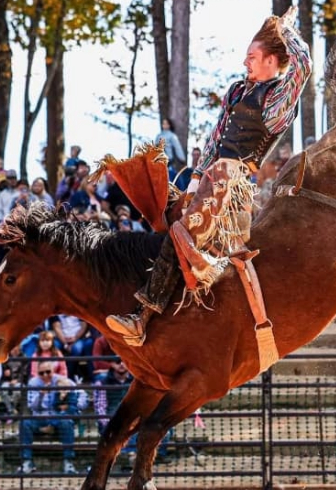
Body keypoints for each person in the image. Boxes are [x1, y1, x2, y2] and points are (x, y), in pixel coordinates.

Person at [106, 8, 310, 344]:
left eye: (253, 57)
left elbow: (304, 67)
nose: (246, 62)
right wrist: (197, 177)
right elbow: (216, 135)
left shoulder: (277, 100)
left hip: (233, 182)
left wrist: (285, 31)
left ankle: (142, 318)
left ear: (272, 61)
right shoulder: (236, 91)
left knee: (181, 234)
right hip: (212, 178)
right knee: (166, 222)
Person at [17, 360, 83, 474]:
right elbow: (33, 406)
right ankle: (26, 462)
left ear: (53, 371)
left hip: (58, 416)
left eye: (48, 372)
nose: (45, 375)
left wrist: (73, 405)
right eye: (41, 373)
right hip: (40, 417)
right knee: (24, 423)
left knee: (66, 422)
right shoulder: (33, 383)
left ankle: (68, 462)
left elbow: (80, 393)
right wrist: (41, 395)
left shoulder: (61, 380)